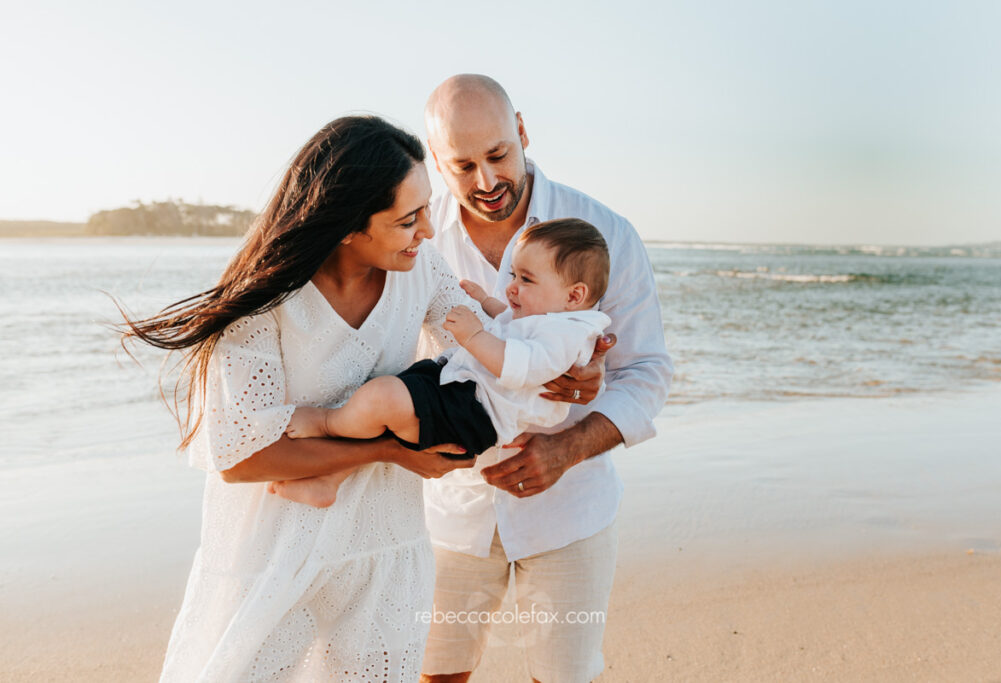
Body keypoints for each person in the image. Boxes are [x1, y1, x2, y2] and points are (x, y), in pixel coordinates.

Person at [121, 115, 478, 682]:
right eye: (408, 219)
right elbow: (242, 457)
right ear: (346, 226)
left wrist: (563, 354)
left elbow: (484, 353)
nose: (429, 231)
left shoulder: (421, 270)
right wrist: (388, 451)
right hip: (273, 552)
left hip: (384, 542)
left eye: (427, 210)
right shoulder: (266, 302)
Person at [418, 75, 673, 683]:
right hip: (449, 513)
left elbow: (648, 372)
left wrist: (567, 446)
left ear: (523, 132)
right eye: (463, 165)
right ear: (436, 162)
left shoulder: (605, 232)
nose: (486, 181)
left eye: (499, 155)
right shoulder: (416, 240)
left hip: (571, 513)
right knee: (434, 674)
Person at [276, 218, 611, 509]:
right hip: (457, 384)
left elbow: (520, 366)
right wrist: (485, 301)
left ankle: (324, 423)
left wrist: (474, 335)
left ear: (574, 296)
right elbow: (510, 323)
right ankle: (330, 479)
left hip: (473, 412)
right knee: (389, 404)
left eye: (526, 279)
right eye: (513, 274)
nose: (512, 286)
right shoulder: (546, 316)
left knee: (384, 398)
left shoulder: (568, 334)